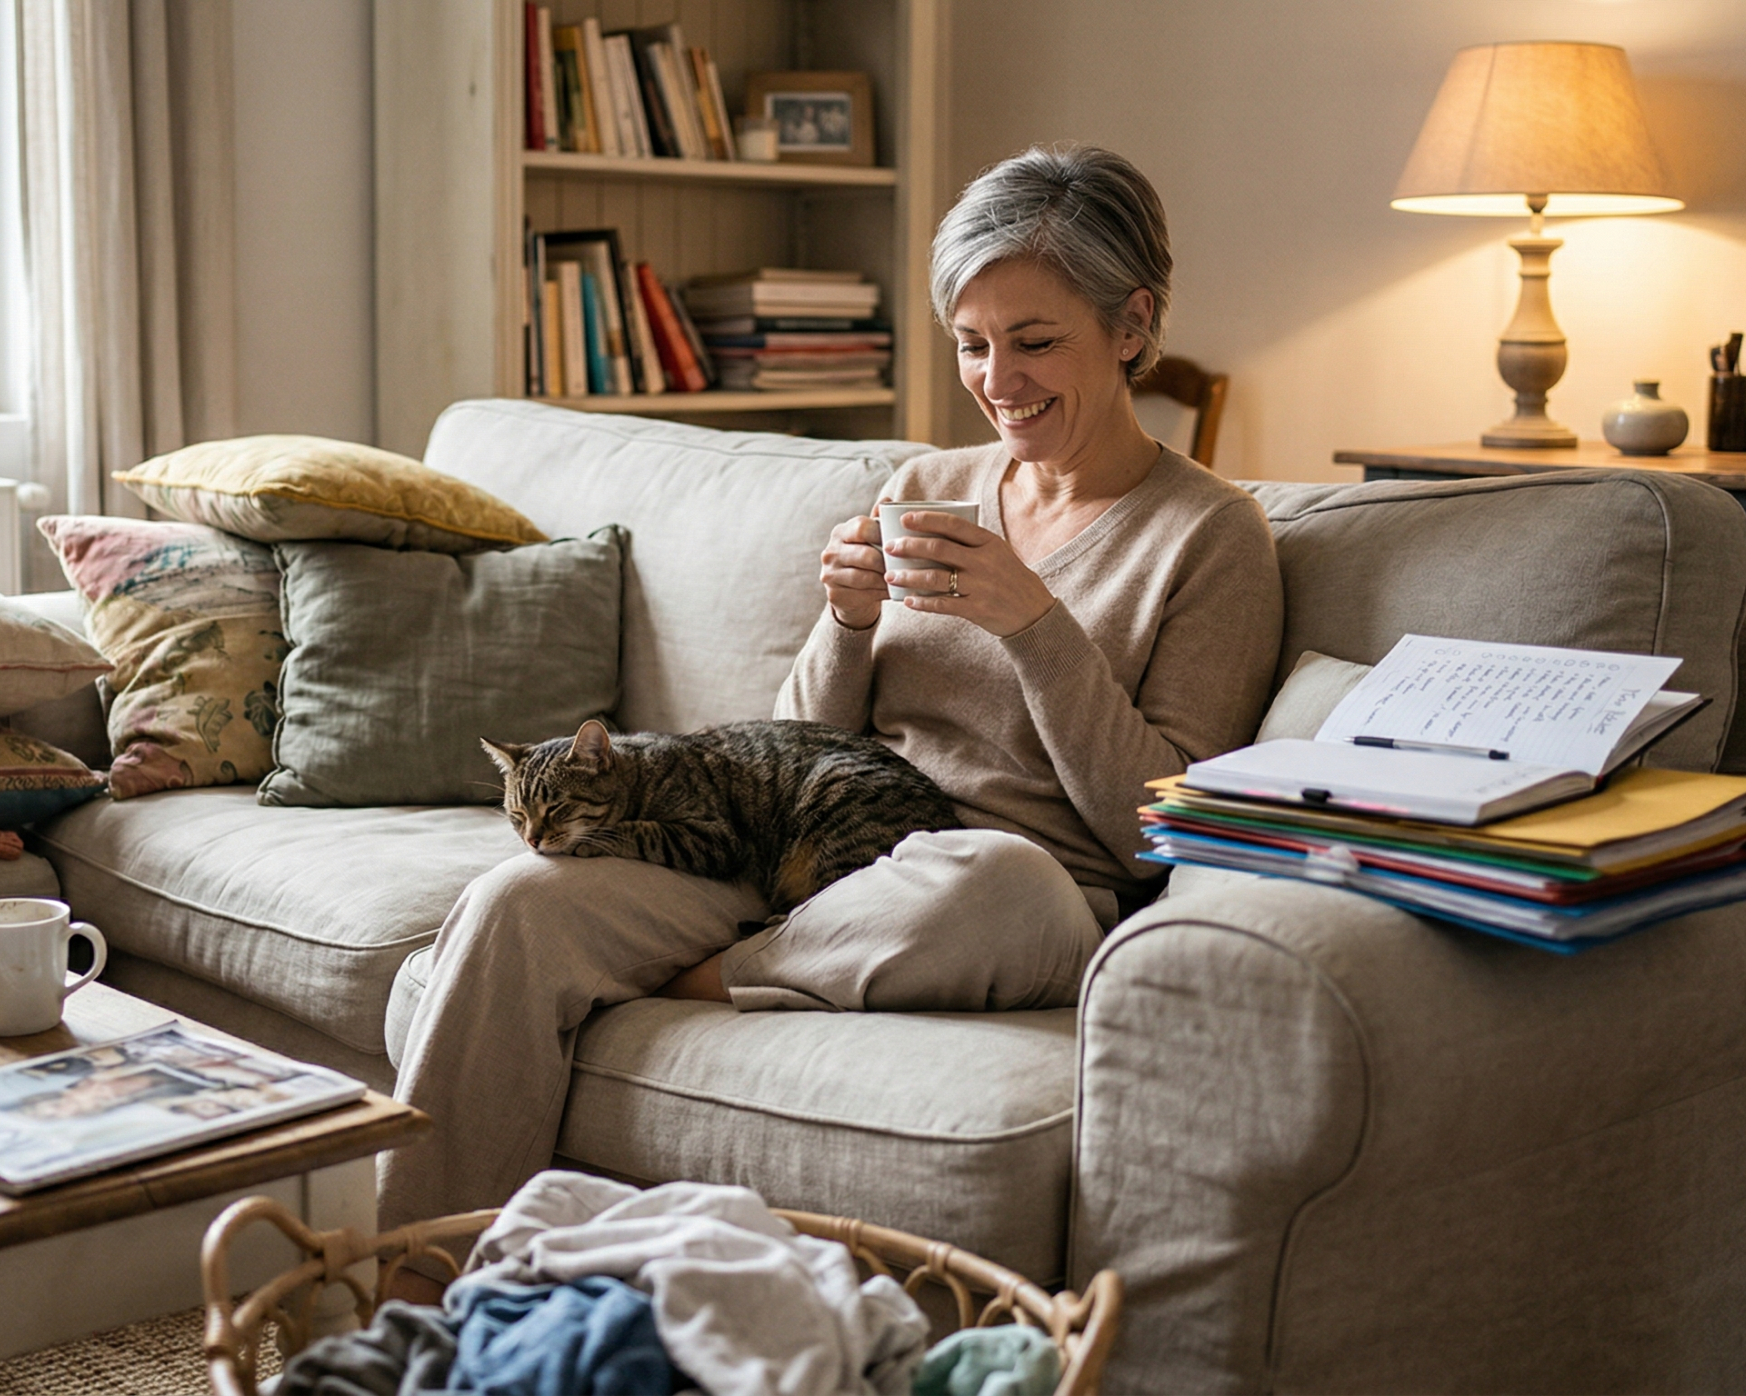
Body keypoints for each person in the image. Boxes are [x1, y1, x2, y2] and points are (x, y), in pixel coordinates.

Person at [377, 145, 1283, 1234]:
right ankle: (418, 1283)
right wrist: (847, 622)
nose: (999, 380)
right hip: (811, 857)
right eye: (972, 344)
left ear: (1131, 325)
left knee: (988, 875)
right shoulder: (930, 488)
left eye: (1036, 341)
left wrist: (1036, 627)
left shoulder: (1210, 536)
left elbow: (1154, 834)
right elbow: (798, 746)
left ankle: (710, 972)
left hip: (1017, 895)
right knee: (518, 903)